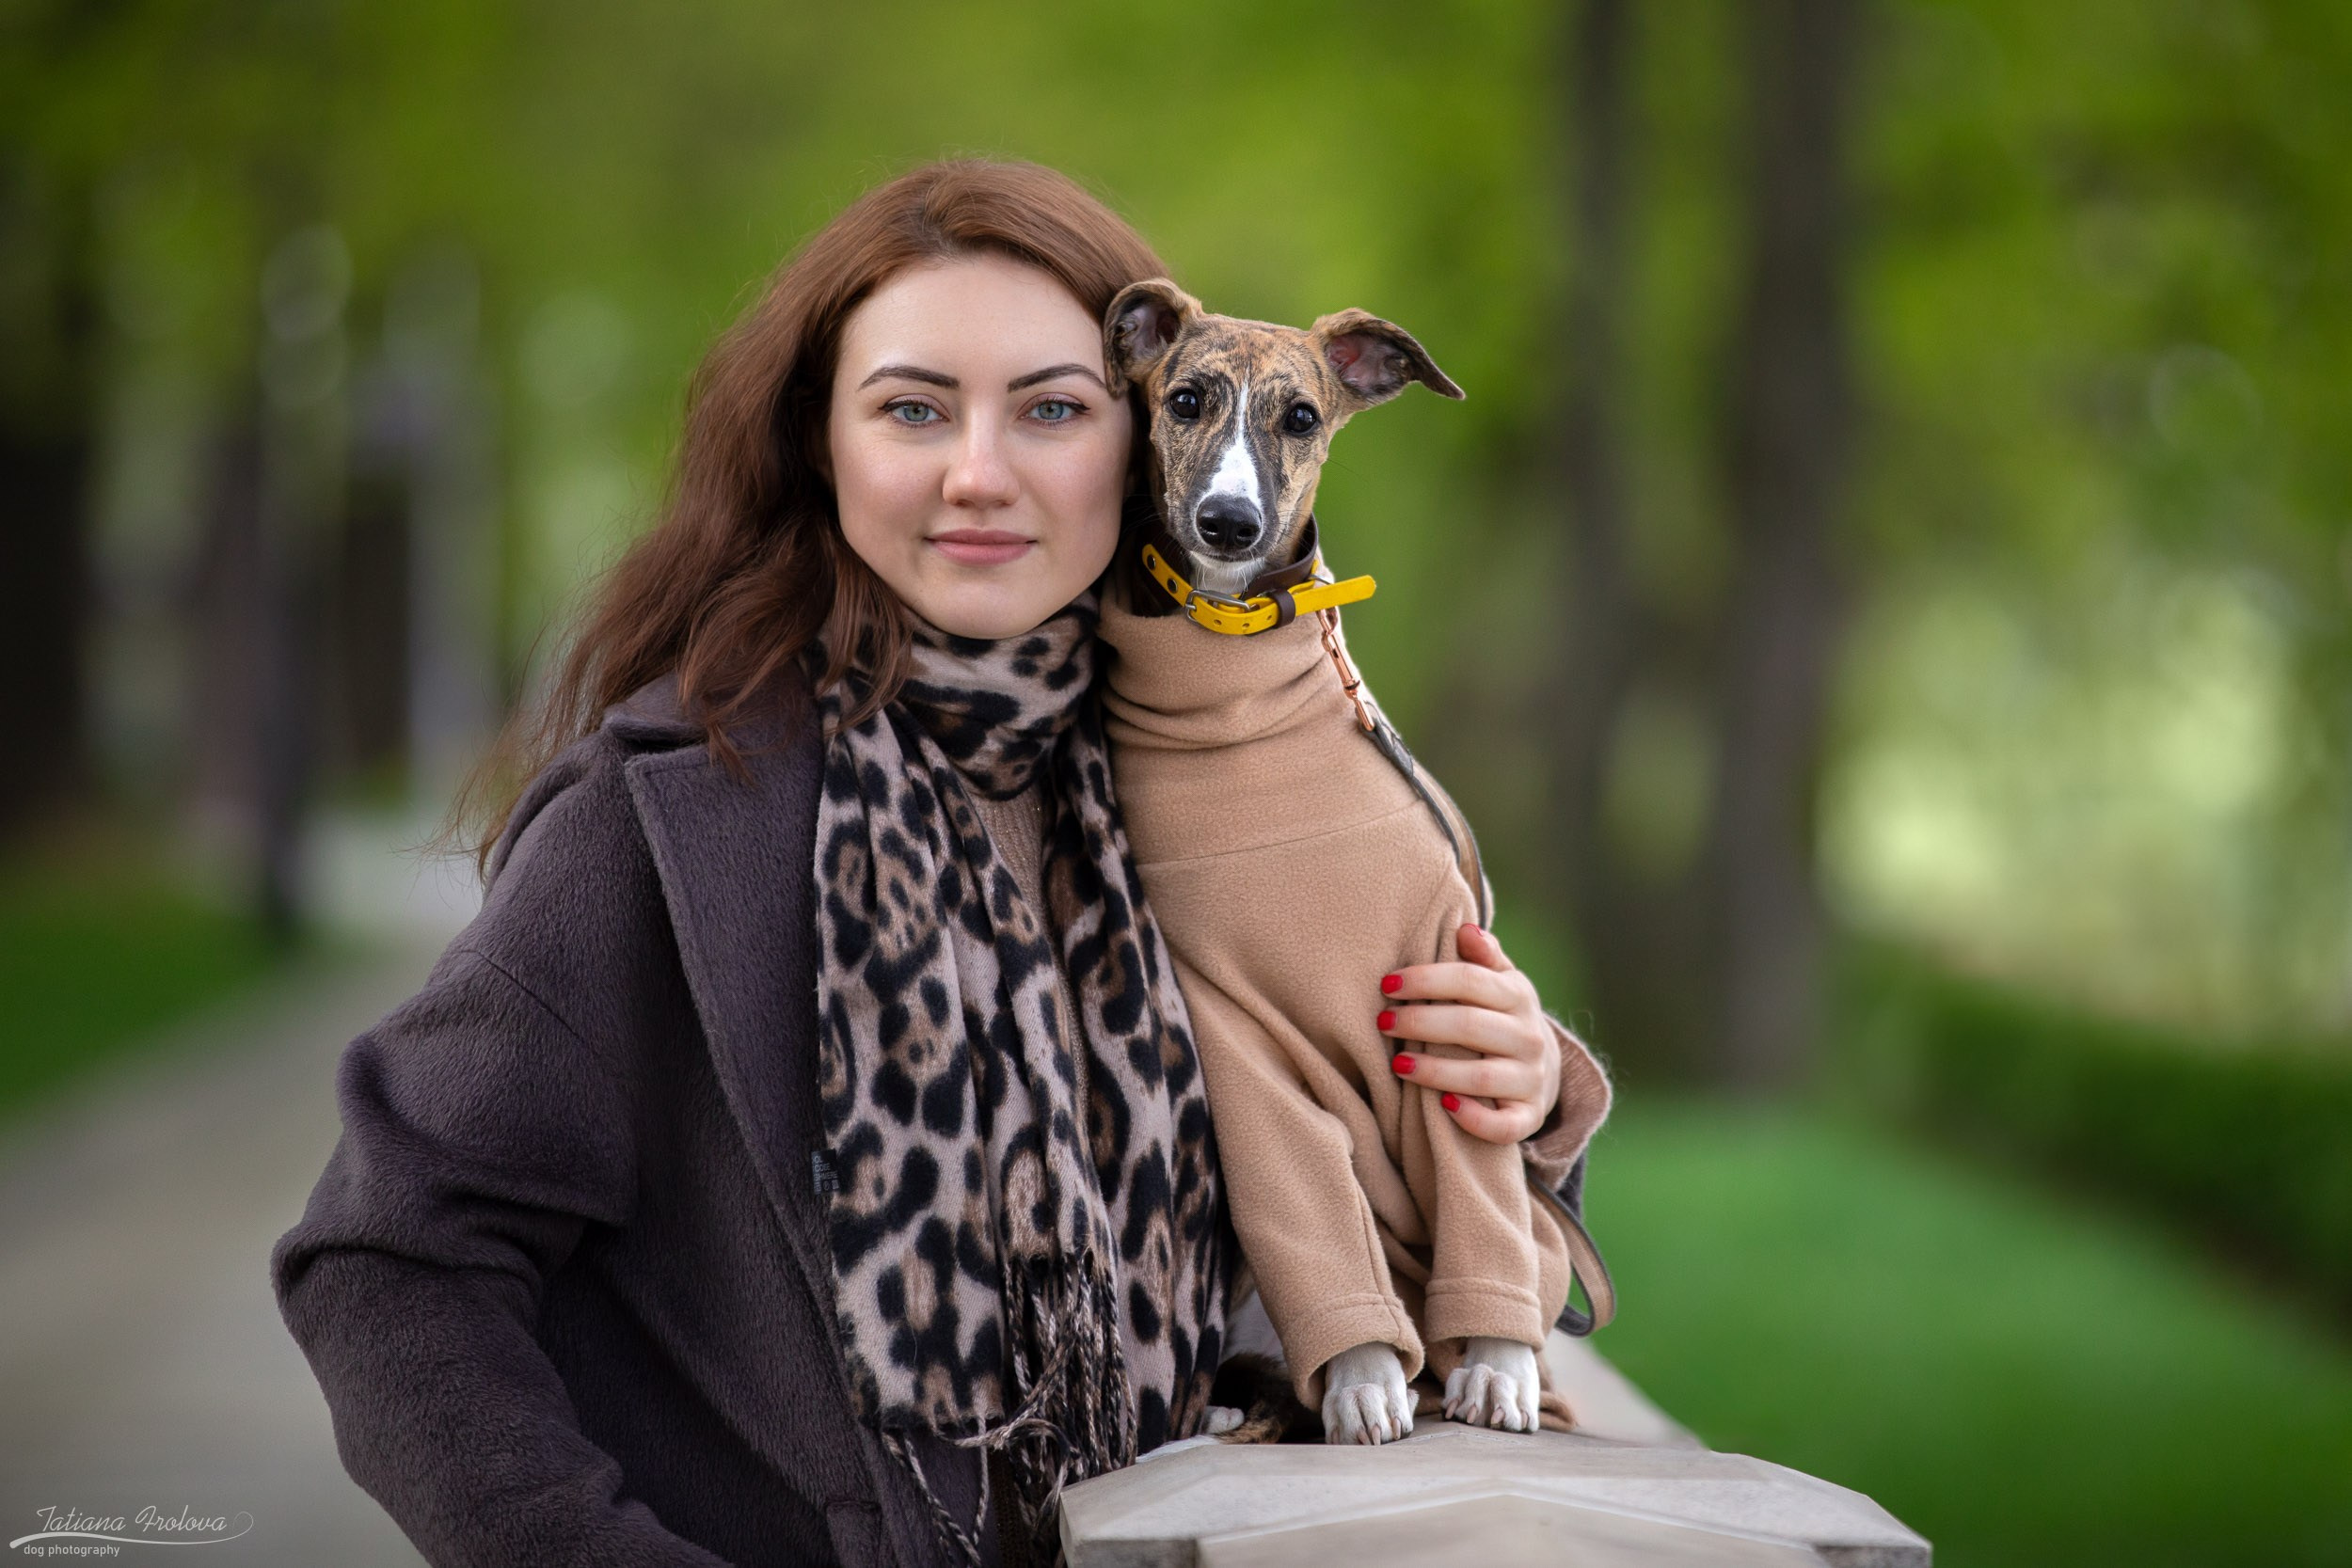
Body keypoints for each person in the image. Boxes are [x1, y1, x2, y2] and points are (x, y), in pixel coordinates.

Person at [270, 157, 1603, 1568]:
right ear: (822, 444)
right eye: (913, 408)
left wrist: (1522, 1094)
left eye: (1050, 408)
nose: (980, 472)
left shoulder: (1179, 785)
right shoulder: (669, 819)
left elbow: (1309, 1142)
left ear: (1136, 429)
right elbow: (388, 1259)